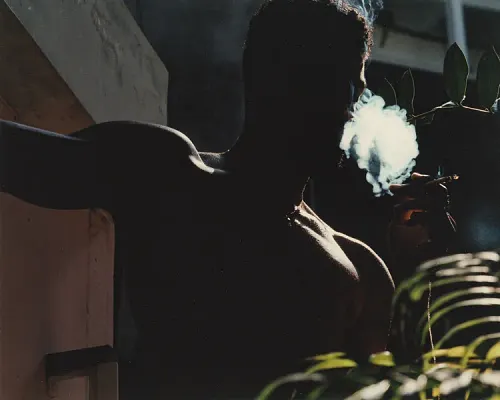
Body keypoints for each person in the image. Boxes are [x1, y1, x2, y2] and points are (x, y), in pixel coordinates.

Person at [0, 0, 450, 398]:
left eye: (359, 91)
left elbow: (410, 392)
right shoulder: (171, 173)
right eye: (344, 87)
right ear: (276, 80)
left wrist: (420, 273)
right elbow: (27, 160)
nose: (352, 110)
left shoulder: (361, 271)